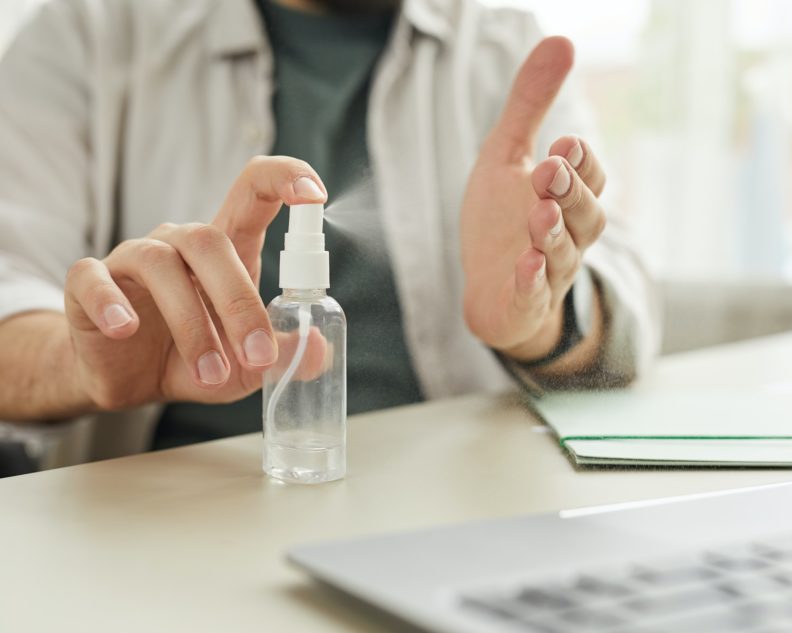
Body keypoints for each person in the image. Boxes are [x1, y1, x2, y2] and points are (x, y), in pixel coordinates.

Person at [0, 0, 660, 456]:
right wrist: (82, 361)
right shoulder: (86, 34)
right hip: (170, 520)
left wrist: (543, 321)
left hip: (461, 505)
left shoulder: (508, 49)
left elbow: (629, 322)